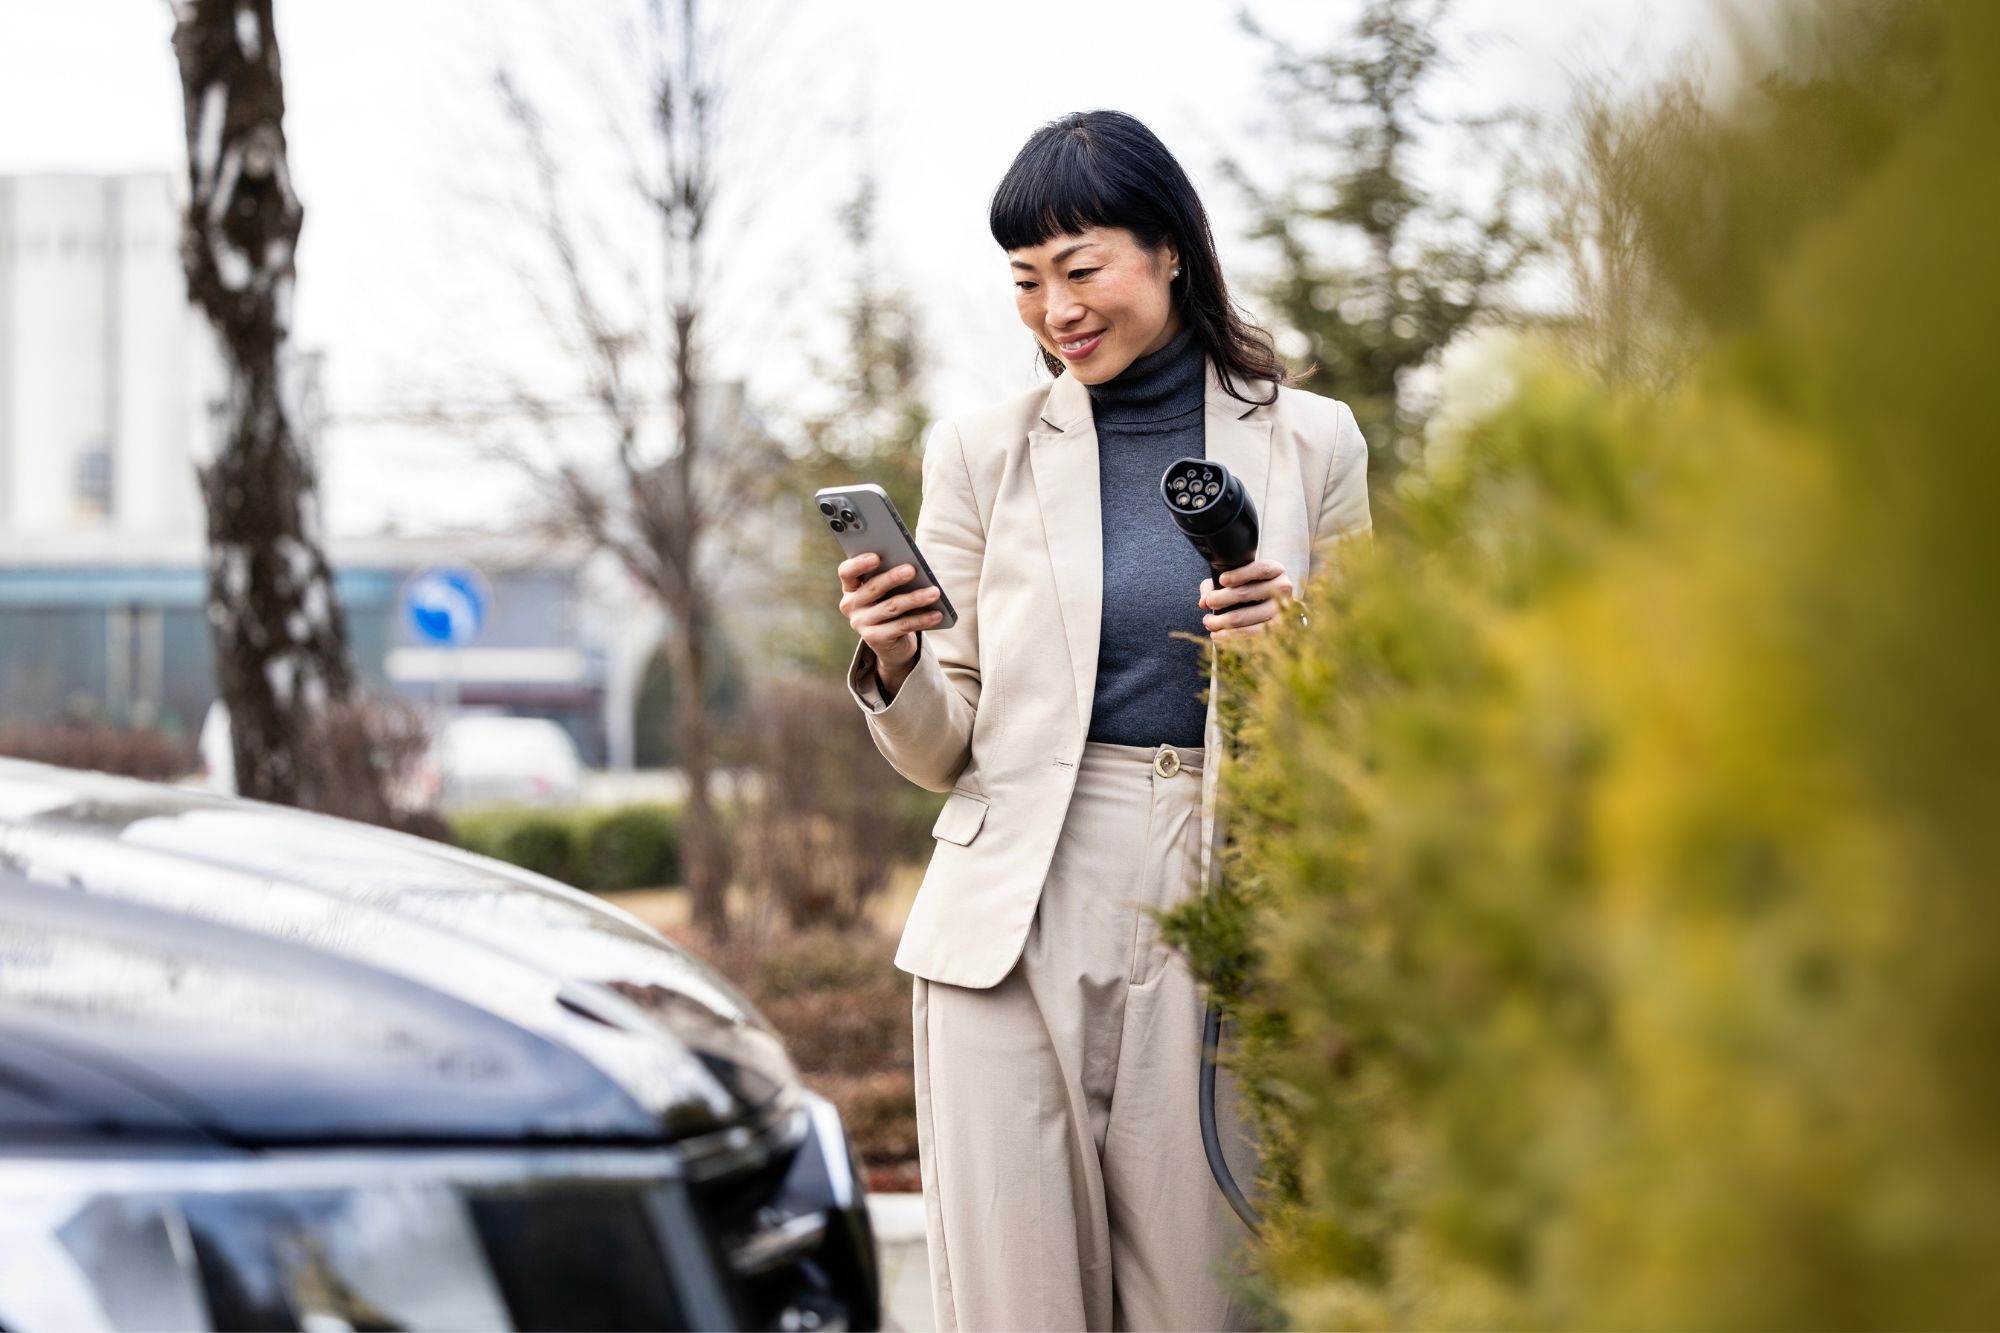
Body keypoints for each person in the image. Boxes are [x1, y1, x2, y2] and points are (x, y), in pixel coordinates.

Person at [835, 110, 1372, 1332]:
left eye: (1080, 269)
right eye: (1026, 281)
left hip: (1220, 879)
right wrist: (894, 653)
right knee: (1018, 1299)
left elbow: (1366, 712)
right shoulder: (980, 451)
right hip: (1013, 898)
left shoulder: (1312, 441)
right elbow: (943, 749)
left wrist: (1293, 647)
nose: (1055, 310)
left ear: (1169, 248)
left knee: (1202, 1295)